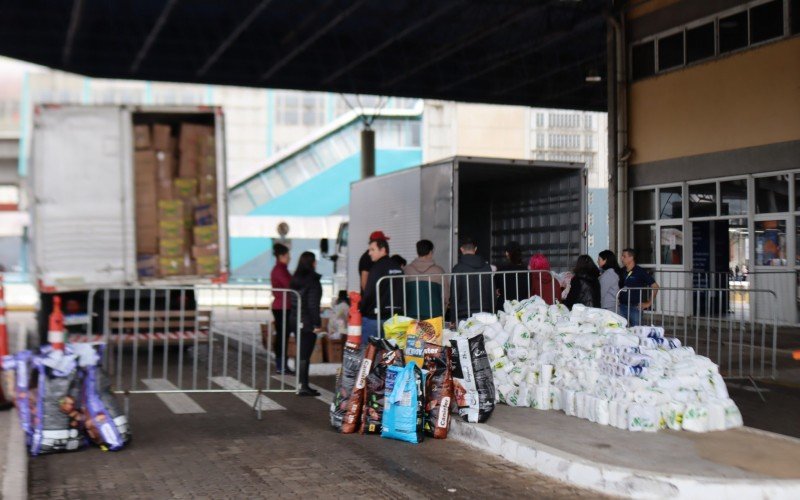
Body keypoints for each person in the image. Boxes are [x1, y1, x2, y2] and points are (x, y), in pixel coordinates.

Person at [289, 251, 323, 396]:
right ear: (313, 263)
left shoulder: (295, 279)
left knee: (301, 352)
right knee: (305, 354)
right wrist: (317, 323)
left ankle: (301, 383)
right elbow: (313, 304)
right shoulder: (313, 280)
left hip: (296, 319)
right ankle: (303, 385)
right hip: (307, 321)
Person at [360, 237, 404, 345]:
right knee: (390, 352)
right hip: (394, 318)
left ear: (383, 250)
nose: (369, 253)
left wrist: (362, 309)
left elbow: (369, 292)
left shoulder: (377, 268)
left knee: (369, 352)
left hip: (375, 318)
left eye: (372, 249)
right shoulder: (397, 268)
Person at [450, 236, 493, 320]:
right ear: (475, 249)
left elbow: (454, 294)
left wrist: (453, 317)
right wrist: (492, 312)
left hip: (464, 313)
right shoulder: (487, 267)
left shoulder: (458, 268)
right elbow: (491, 291)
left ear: (461, 249)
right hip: (484, 312)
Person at [404, 239, 449, 318]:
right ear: (430, 252)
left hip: (410, 316)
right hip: (434, 315)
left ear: (417, 252)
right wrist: (442, 313)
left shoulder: (406, 270)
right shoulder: (438, 271)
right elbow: (446, 296)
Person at [618, 248, 660, 326]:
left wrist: (648, 303)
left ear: (631, 258)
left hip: (635, 308)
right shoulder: (621, 271)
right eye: (622, 256)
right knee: (622, 331)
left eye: (624, 256)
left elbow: (655, 286)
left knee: (636, 331)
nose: (621, 258)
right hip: (622, 306)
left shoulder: (640, 272)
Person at [269, 243, 293, 374]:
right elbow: (290, 285)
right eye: (288, 255)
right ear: (281, 256)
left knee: (283, 336)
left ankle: (282, 364)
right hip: (282, 307)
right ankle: (281, 365)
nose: (289, 258)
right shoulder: (280, 270)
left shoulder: (281, 269)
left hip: (283, 306)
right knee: (282, 337)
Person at [495, 241, 529, 310]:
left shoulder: (502, 269)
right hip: (522, 306)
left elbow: (496, 286)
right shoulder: (526, 270)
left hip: (505, 306)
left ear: (507, 253)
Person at [359, 230, 390, 294]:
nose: (385, 243)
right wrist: (368, 298)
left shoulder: (380, 259)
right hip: (372, 301)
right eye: (383, 241)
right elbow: (364, 283)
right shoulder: (367, 258)